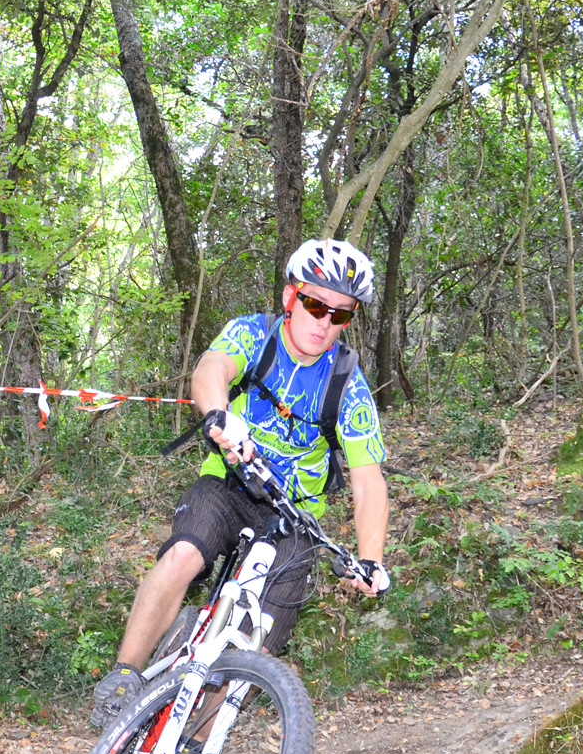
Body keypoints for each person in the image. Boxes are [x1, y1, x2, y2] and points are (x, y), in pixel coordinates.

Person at [91, 237, 390, 728]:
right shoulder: (257, 333)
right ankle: (124, 675)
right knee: (185, 553)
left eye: (341, 314)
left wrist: (371, 557)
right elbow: (213, 368)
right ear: (293, 298)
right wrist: (219, 415)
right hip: (229, 482)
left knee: (259, 638)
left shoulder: (348, 382)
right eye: (316, 304)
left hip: (293, 515)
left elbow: (368, 481)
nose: (324, 322)